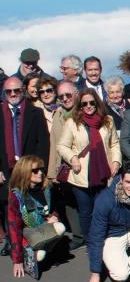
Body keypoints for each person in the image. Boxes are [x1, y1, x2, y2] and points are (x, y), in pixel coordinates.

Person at [57, 88, 121, 248]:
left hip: (104, 172)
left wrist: (116, 162)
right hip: (81, 175)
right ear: (79, 105)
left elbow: (114, 144)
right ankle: (91, 242)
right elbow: (62, 145)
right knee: (86, 211)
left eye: (92, 102)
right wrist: (72, 159)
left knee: (103, 209)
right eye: (84, 103)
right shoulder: (72, 122)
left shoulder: (108, 120)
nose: (88, 106)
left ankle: (104, 239)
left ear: (97, 103)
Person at [0, 77, 49, 255]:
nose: (13, 94)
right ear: (4, 94)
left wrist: (37, 169)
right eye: (8, 91)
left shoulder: (35, 113)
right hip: (5, 169)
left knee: (29, 205)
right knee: (8, 205)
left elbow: (42, 143)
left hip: (29, 167)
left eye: (17, 90)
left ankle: (33, 241)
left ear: (23, 90)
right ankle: (12, 242)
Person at [7, 156, 66, 279]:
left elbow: (55, 208)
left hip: (43, 228)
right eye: (35, 170)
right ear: (24, 173)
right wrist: (17, 260)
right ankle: (28, 251)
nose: (40, 173)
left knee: (60, 227)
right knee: (40, 255)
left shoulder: (47, 188)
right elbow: (14, 227)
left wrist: (54, 216)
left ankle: (41, 250)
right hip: (27, 232)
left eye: (41, 169)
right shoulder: (16, 195)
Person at [48, 81, 82, 249]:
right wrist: (52, 172)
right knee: (69, 201)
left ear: (76, 93)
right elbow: (54, 144)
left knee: (86, 201)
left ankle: (92, 235)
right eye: (61, 96)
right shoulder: (58, 114)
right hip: (64, 167)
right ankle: (78, 234)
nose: (65, 99)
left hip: (83, 164)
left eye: (68, 95)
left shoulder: (85, 110)